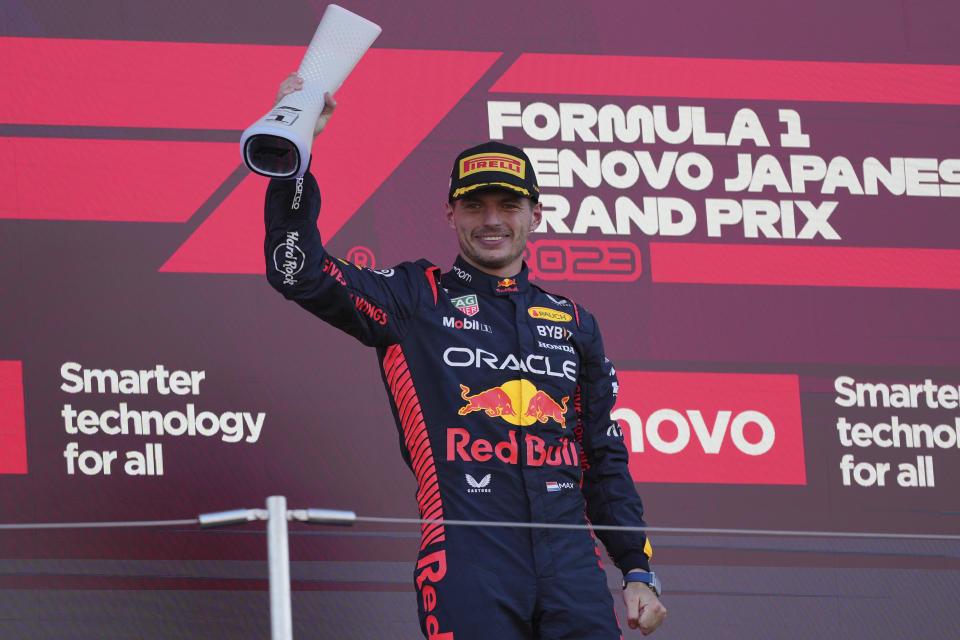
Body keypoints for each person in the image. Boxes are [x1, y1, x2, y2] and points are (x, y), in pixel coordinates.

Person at [263, 73, 667, 639]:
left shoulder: (575, 323)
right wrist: (295, 156)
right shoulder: (413, 298)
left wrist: (637, 568)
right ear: (451, 215)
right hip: (467, 558)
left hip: (572, 565)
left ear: (536, 215)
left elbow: (603, 457)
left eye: (508, 204)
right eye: (474, 205)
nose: (492, 220)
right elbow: (298, 272)